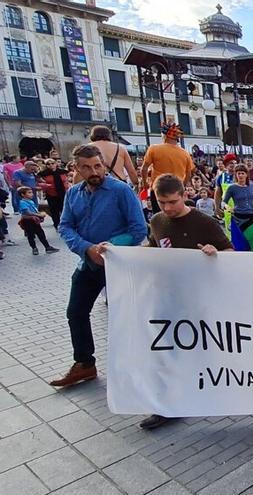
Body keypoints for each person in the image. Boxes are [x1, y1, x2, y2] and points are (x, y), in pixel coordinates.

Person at [140, 173, 233, 430]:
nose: (168, 208)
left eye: (173, 202)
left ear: (184, 195)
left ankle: (206, 390)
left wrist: (215, 254)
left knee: (199, 349)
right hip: (167, 297)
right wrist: (123, 255)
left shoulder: (205, 222)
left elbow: (231, 252)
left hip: (198, 299)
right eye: (162, 203)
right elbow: (153, 246)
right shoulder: (157, 221)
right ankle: (167, 404)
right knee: (166, 350)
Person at [52, 144, 147, 388]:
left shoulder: (121, 191)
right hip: (89, 262)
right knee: (76, 312)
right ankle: (84, 363)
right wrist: (86, 248)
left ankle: (138, 366)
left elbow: (138, 229)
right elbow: (65, 226)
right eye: (87, 167)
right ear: (77, 168)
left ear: (103, 165)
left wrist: (109, 246)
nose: (94, 171)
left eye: (97, 165)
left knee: (127, 317)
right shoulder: (74, 193)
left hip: (119, 264)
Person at [141, 122, 194, 213]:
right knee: (177, 216)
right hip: (176, 191)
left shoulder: (154, 149)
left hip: (158, 189)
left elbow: (144, 168)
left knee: (159, 217)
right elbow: (188, 174)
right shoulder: (185, 154)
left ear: (164, 135)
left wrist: (145, 183)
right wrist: (182, 186)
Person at [88, 125, 138, 189]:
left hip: (97, 184)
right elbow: (131, 171)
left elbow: (79, 172)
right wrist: (136, 183)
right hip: (119, 183)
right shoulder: (120, 148)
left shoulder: (87, 148)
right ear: (109, 135)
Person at [17, 186, 60, 255]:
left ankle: (47, 247)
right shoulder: (23, 202)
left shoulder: (31, 201)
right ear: (23, 194)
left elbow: (34, 210)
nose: (32, 194)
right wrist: (38, 215)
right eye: (29, 193)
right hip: (28, 221)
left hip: (34, 221)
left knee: (41, 233)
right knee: (30, 235)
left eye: (31, 192)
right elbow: (27, 212)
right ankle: (34, 248)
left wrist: (39, 214)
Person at [222, 164, 253, 231]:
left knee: (250, 239)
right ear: (236, 175)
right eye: (238, 173)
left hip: (252, 217)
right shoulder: (232, 188)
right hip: (238, 217)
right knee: (239, 239)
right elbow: (223, 202)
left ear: (246, 174)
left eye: (242, 173)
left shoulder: (252, 186)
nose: (240, 175)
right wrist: (227, 207)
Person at [37, 159, 69, 228]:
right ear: (46, 165)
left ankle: (66, 223)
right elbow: (38, 181)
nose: (51, 165)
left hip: (63, 193)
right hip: (51, 194)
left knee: (64, 209)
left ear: (56, 164)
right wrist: (44, 185)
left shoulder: (63, 171)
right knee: (54, 210)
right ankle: (56, 224)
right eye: (48, 164)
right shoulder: (43, 173)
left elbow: (67, 179)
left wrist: (67, 185)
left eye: (52, 163)